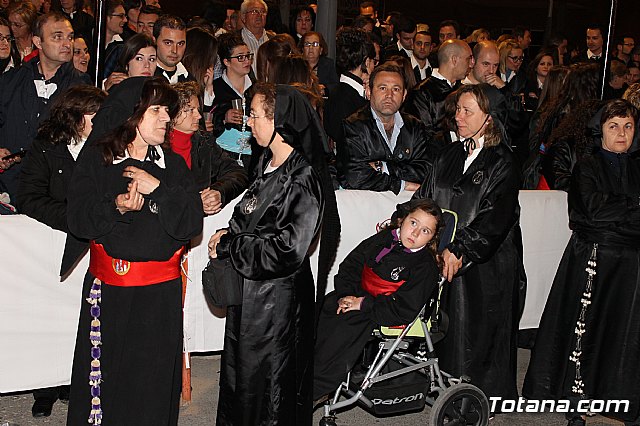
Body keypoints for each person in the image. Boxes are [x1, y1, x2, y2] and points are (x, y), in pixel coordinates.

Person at [65, 77, 203, 425]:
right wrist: (116, 208)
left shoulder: (173, 168)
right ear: (132, 114)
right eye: (155, 110)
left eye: (167, 112)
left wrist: (157, 190)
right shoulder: (98, 161)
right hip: (108, 295)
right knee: (105, 386)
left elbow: (190, 226)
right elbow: (78, 219)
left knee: (150, 388)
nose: (166, 119)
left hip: (158, 298)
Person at [207, 83, 331, 425]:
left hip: (278, 304)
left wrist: (234, 246)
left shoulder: (303, 177)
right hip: (250, 295)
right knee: (242, 382)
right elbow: (248, 214)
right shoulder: (266, 161)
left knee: (272, 390)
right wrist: (227, 233)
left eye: (255, 114)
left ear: (280, 121)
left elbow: (288, 250)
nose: (248, 122)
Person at [523, 99, 640, 426]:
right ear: (600, 129)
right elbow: (588, 213)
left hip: (630, 266)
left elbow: (605, 214)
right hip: (592, 259)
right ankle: (575, 403)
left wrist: (615, 212)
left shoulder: (638, 168)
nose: (621, 133)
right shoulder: (587, 167)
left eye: (628, 126)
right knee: (582, 332)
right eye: (614, 126)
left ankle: (618, 402)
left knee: (621, 332)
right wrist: (631, 208)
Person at [413, 83, 525, 403]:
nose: (458, 117)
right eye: (457, 110)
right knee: (452, 331)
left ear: (488, 118)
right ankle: (450, 392)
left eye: (466, 111)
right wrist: (403, 222)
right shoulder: (448, 153)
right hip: (448, 256)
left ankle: (483, 399)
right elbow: (426, 196)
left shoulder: (503, 161)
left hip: (488, 265)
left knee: (483, 332)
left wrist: (460, 248)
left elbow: (494, 216)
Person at [15, 85, 106, 418]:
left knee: (85, 318)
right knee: (50, 318)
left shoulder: (107, 149)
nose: (104, 122)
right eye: (97, 116)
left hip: (95, 248)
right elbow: (28, 197)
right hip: (52, 245)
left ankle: (76, 381)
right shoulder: (45, 148)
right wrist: (72, 219)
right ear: (77, 117)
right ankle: (45, 387)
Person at [313, 198, 442, 400]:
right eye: (414, 223)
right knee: (318, 311)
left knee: (341, 330)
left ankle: (317, 387)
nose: (415, 233)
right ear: (403, 220)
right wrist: (347, 295)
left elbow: (403, 309)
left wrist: (362, 304)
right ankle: (292, 372)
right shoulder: (383, 239)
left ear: (432, 238)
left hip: (379, 310)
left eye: (425, 231)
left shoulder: (425, 267)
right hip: (355, 294)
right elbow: (350, 266)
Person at [0, 12, 90, 202]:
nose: (67, 44)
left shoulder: (82, 87)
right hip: (8, 187)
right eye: (57, 37)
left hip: (56, 195)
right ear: (37, 42)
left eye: (70, 37)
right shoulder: (10, 81)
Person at [340, 62, 432, 193]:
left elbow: (425, 170)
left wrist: (382, 166)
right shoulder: (353, 126)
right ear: (369, 91)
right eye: (382, 88)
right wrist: (401, 185)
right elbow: (356, 176)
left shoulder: (415, 126)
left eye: (396, 89)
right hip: (366, 203)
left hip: (408, 203)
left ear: (404, 95)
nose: (389, 95)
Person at [170, 81, 248, 214]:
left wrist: (218, 192)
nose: (199, 116)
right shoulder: (157, 145)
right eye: (190, 110)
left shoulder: (204, 142)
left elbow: (238, 173)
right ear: (172, 112)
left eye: (197, 109)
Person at [211, 33, 254, 173]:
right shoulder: (215, 87)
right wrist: (223, 118)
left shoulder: (257, 89)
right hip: (223, 156)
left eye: (248, 56)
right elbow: (206, 121)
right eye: (240, 57)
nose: (247, 60)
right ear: (226, 62)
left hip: (252, 156)